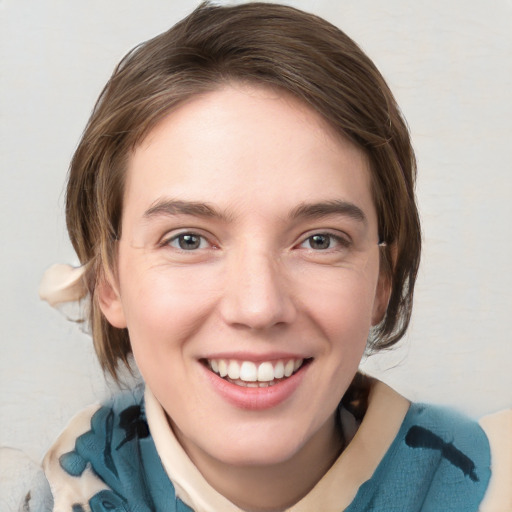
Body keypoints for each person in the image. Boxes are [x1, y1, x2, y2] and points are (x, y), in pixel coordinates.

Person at [34, 2, 510, 511]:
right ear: (108, 282)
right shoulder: (53, 483)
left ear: (382, 281)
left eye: (320, 240)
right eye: (188, 240)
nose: (258, 307)